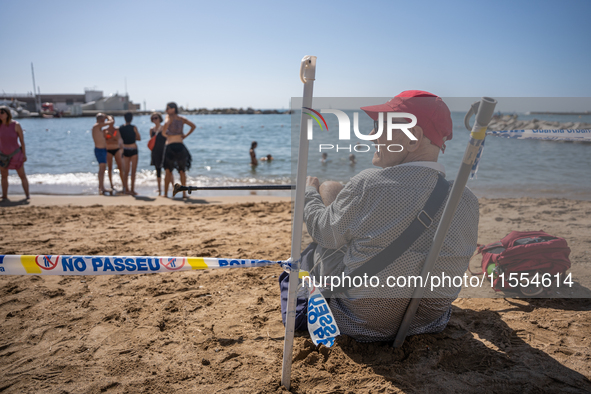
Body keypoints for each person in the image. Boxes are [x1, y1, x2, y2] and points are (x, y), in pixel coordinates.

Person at [299, 91, 479, 342]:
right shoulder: (467, 199)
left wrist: (309, 192)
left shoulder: (369, 185)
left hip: (360, 318)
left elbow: (323, 233)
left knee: (329, 189)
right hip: (427, 320)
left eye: (380, 127)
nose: (373, 135)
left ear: (414, 138)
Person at [162, 102, 195, 198]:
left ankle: (184, 193)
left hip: (180, 146)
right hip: (169, 146)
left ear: (173, 109)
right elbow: (164, 133)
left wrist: (185, 135)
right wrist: (169, 122)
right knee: (168, 171)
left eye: (168, 108)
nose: (166, 110)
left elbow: (193, 126)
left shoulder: (181, 119)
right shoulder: (167, 118)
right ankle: (165, 193)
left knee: (182, 170)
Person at [0, 106, 29, 200]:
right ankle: (4, 196)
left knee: (22, 175)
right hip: (2, 155)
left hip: (16, 155)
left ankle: (27, 195)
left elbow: (22, 141)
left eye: (2, 112)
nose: (0, 114)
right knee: (4, 176)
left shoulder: (16, 125)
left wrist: (24, 154)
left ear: (7, 114)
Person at [91, 113, 115, 195]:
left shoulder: (100, 128)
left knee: (103, 168)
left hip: (103, 150)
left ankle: (101, 186)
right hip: (99, 150)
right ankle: (101, 187)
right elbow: (111, 122)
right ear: (101, 119)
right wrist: (108, 116)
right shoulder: (96, 126)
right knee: (102, 169)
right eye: (104, 119)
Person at [119, 112, 141, 196]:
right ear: (131, 118)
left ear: (124, 118)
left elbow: (119, 139)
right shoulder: (134, 127)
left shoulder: (121, 128)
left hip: (125, 149)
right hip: (133, 148)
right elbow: (139, 138)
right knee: (133, 171)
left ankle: (126, 189)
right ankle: (132, 189)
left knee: (126, 171)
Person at [104, 122, 125, 193]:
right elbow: (105, 140)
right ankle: (111, 185)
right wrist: (112, 138)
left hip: (116, 149)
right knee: (109, 168)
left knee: (120, 167)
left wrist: (111, 136)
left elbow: (117, 139)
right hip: (108, 150)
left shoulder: (117, 130)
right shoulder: (105, 130)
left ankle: (124, 185)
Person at [149, 112, 167, 195]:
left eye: (156, 118)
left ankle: (172, 187)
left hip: (164, 151)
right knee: (158, 171)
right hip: (155, 152)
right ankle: (159, 189)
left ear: (160, 118)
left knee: (168, 170)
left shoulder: (164, 128)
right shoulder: (151, 129)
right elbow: (152, 141)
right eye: (153, 118)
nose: (154, 120)